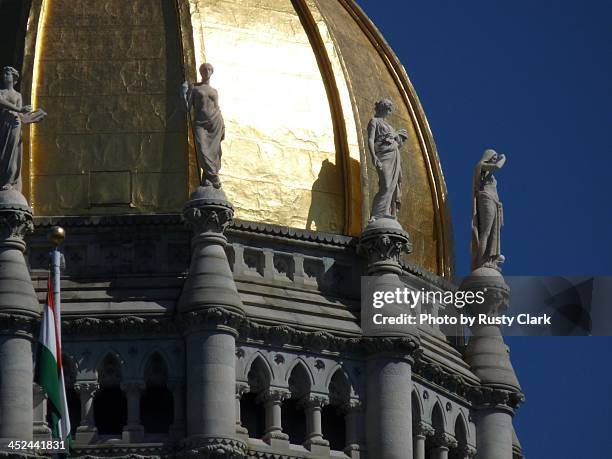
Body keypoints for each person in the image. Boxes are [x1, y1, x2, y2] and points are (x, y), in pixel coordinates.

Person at [181, 63, 225, 188]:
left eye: (209, 70)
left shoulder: (214, 91)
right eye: (204, 70)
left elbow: (217, 108)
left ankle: (208, 177)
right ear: (200, 72)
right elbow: (187, 107)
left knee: (214, 152)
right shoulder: (194, 88)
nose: (206, 72)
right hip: (200, 123)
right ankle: (213, 177)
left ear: (212, 72)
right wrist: (183, 92)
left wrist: (223, 125)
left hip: (215, 122)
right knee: (203, 150)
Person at [367, 98, 408, 220]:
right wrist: (373, 156)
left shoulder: (389, 126)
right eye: (387, 109)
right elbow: (370, 139)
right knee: (385, 185)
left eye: (390, 109)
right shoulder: (374, 121)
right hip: (383, 155)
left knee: (392, 185)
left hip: (394, 155)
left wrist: (396, 135)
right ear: (382, 108)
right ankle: (376, 215)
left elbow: (400, 141)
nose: (389, 112)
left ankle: (388, 212)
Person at [471, 149, 506, 270]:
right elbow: (497, 166)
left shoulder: (490, 173)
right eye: (494, 156)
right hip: (486, 198)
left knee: (493, 233)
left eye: (497, 156)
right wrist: (504, 158)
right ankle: (481, 261)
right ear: (488, 156)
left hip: (494, 201)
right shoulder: (481, 166)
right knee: (485, 232)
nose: (496, 158)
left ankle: (490, 260)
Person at [0, 66, 31, 191]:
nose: (5, 76)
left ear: (14, 78)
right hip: (4, 123)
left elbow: (22, 116)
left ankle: (9, 181)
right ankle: (3, 179)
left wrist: (33, 117)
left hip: (15, 124)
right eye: (4, 74)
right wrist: (19, 109)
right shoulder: (1, 92)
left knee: (12, 154)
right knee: (3, 153)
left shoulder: (18, 95)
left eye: (8, 74)